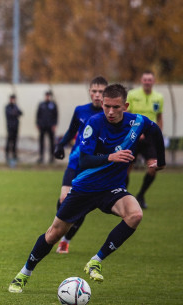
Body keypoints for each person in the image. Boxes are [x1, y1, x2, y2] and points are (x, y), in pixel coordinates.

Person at [8, 84, 165, 293]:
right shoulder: (94, 123)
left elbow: (155, 131)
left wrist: (161, 161)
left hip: (112, 189)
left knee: (135, 214)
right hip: (85, 188)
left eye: (115, 107)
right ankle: (23, 274)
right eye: (106, 106)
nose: (110, 111)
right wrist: (111, 157)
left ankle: (95, 261)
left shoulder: (137, 122)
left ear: (125, 106)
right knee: (54, 234)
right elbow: (84, 159)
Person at [52, 76, 108, 253]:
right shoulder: (81, 111)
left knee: (81, 205)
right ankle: (57, 231)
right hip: (76, 161)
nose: (97, 95)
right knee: (63, 199)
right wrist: (61, 144)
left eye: (101, 91)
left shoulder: (110, 115)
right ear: (90, 92)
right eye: (94, 91)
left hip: (92, 166)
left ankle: (66, 239)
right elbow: (71, 131)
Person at [126, 71, 164, 209]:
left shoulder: (159, 97)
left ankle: (140, 195)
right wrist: (134, 132)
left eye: (150, 80)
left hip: (150, 138)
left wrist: (158, 135)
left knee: (154, 167)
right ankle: (122, 196)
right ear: (141, 81)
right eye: (145, 79)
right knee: (126, 167)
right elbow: (126, 116)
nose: (147, 82)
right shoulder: (132, 95)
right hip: (134, 136)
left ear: (153, 82)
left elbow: (159, 117)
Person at [36, 90, 58, 164]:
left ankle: (52, 157)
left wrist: (54, 124)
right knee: (41, 142)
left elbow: (56, 116)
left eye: (48, 96)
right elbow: (38, 115)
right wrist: (38, 124)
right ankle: (41, 157)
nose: (47, 97)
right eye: (46, 96)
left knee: (52, 142)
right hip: (42, 126)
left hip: (50, 126)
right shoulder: (41, 104)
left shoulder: (53, 105)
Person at [5, 94, 23, 166]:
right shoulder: (7, 107)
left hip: (16, 127)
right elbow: (10, 114)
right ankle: (7, 155)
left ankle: (14, 155)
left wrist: (15, 111)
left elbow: (21, 113)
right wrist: (15, 112)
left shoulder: (16, 106)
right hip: (10, 127)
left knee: (15, 142)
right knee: (9, 141)